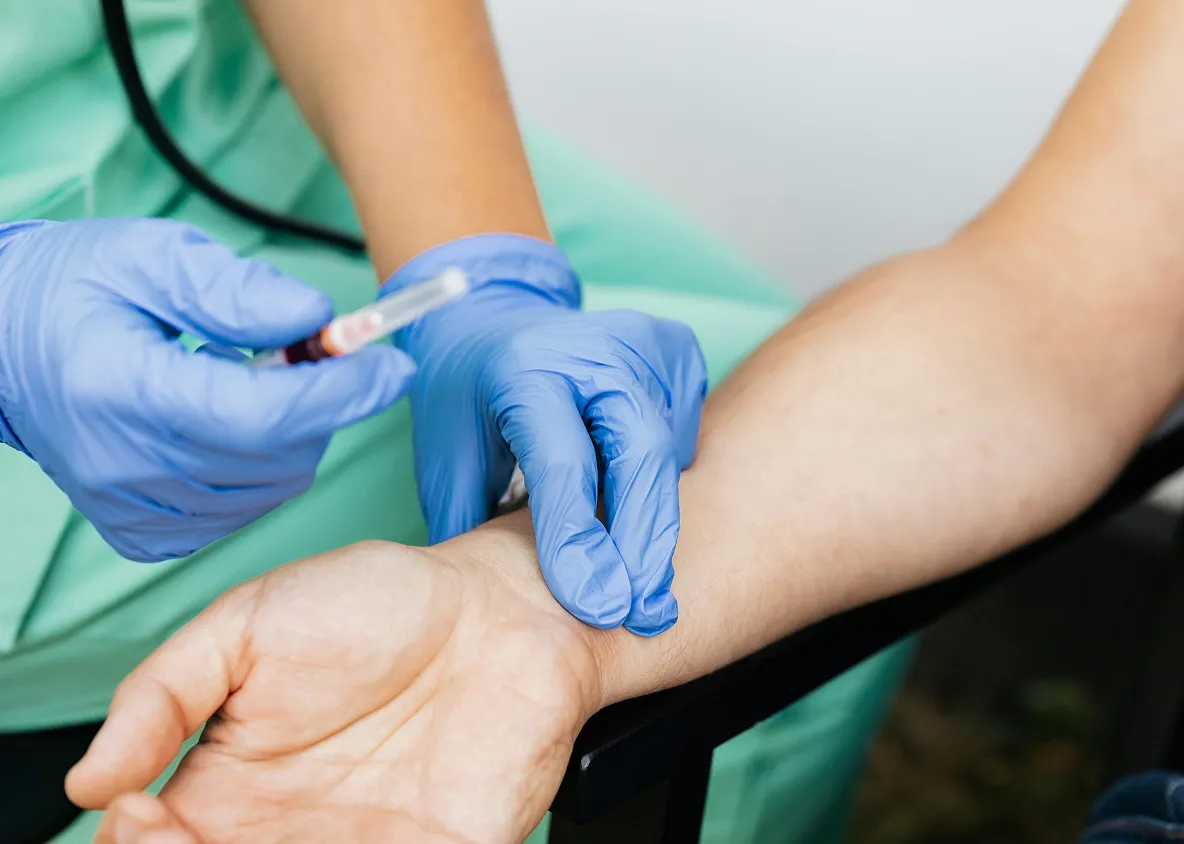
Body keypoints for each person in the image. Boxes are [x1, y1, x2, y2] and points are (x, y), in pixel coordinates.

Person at [60, 0, 1184, 841]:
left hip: (191, 91)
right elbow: (1051, 307)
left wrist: (478, 277)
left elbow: (1057, 308)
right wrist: (529, 608)